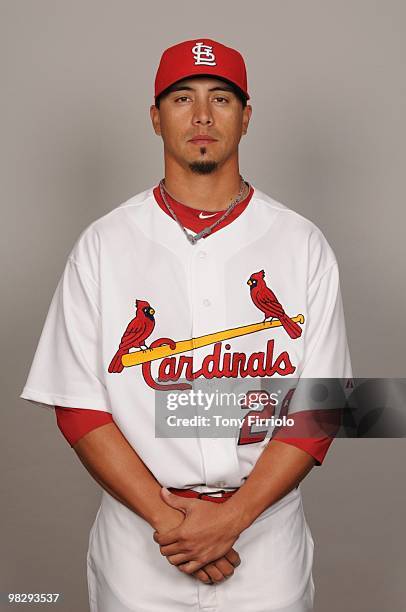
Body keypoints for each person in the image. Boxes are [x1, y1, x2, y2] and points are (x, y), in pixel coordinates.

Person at [20, 38, 353, 611]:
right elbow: (77, 405)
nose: (202, 116)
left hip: (265, 539)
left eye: (221, 98)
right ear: (156, 117)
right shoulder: (103, 244)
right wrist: (169, 519)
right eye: (182, 99)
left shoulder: (302, 244)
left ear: (246, 117)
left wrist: (233, 519)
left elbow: (320, 409)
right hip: (141, 542)